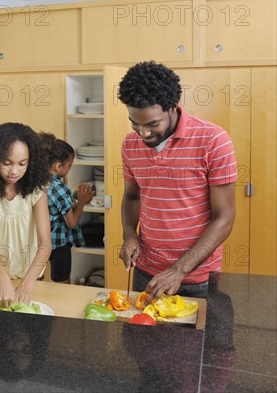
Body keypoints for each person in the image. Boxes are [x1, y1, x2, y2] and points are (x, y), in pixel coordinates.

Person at [118, 61, 237, 300]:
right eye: (135, 123)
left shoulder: (213, 140)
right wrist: (129, 234)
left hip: (197, 277)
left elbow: (224, 218)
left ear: (172, 107)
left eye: (152, 124)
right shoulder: (130, 145)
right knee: (143, 337)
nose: (143, 134)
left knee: (200, 338)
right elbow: (132, 196)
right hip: (147, 272)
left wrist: (178, 270)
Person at [0, 122, 52, 307]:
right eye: (7, 163)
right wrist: (2, 279)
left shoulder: (36, 189)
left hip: (31, 277)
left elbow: (45, 243)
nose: (14, 171)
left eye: (23, 164)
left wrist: (27, 284)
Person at [39, 133, 94, 283]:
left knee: (38, 278)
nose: (70, 169)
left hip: (40, 241)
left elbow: (57, 211)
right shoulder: (59, 188)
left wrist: (79, 201)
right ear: (58, 166)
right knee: (63, 282)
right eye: (69, 165)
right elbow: (72, 222)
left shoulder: (39, 183)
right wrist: (82, 202)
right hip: (59, 245)